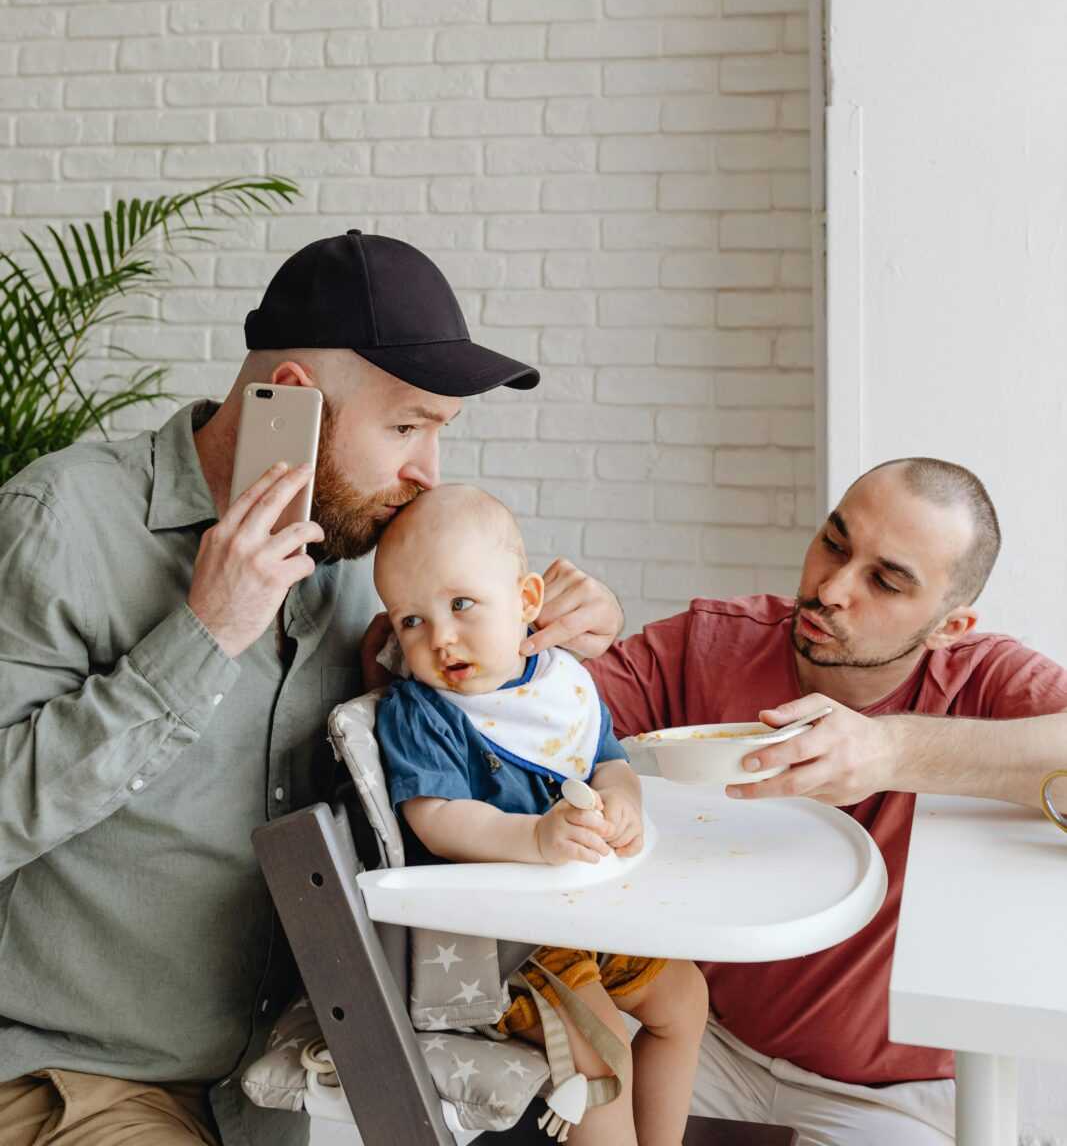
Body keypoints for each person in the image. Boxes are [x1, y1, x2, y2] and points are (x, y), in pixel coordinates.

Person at [0, 229, 623, 1146]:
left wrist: (543, 646)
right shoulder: (60, 522)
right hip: (86, 1075)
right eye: (406, 426)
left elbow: (455, 749)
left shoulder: (365, 558)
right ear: (293, 401)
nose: (427, 474)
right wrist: (205, 635)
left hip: (301, 1075)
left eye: (440, 434)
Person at [586, 457, 1067, 1146]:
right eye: (834, 544)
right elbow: (527, 717)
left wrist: (892, 751)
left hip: (896, 1100)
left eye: (885, 581)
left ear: (947, 627)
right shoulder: (709, 644)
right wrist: (503, 622)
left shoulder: (988, 680)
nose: (832, 588)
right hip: (705, 1041)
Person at [372, 484, 708, 1146]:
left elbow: (608, 761)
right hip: (504, 944)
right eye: (410, 621)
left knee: (685, 999)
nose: (440, 637)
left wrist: (624, 805)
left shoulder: (558, 685)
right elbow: (435, 818)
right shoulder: (423, 712)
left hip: (587, 917)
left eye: (461, 604)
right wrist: (534, 836)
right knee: (603, 1046)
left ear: (526, 602)